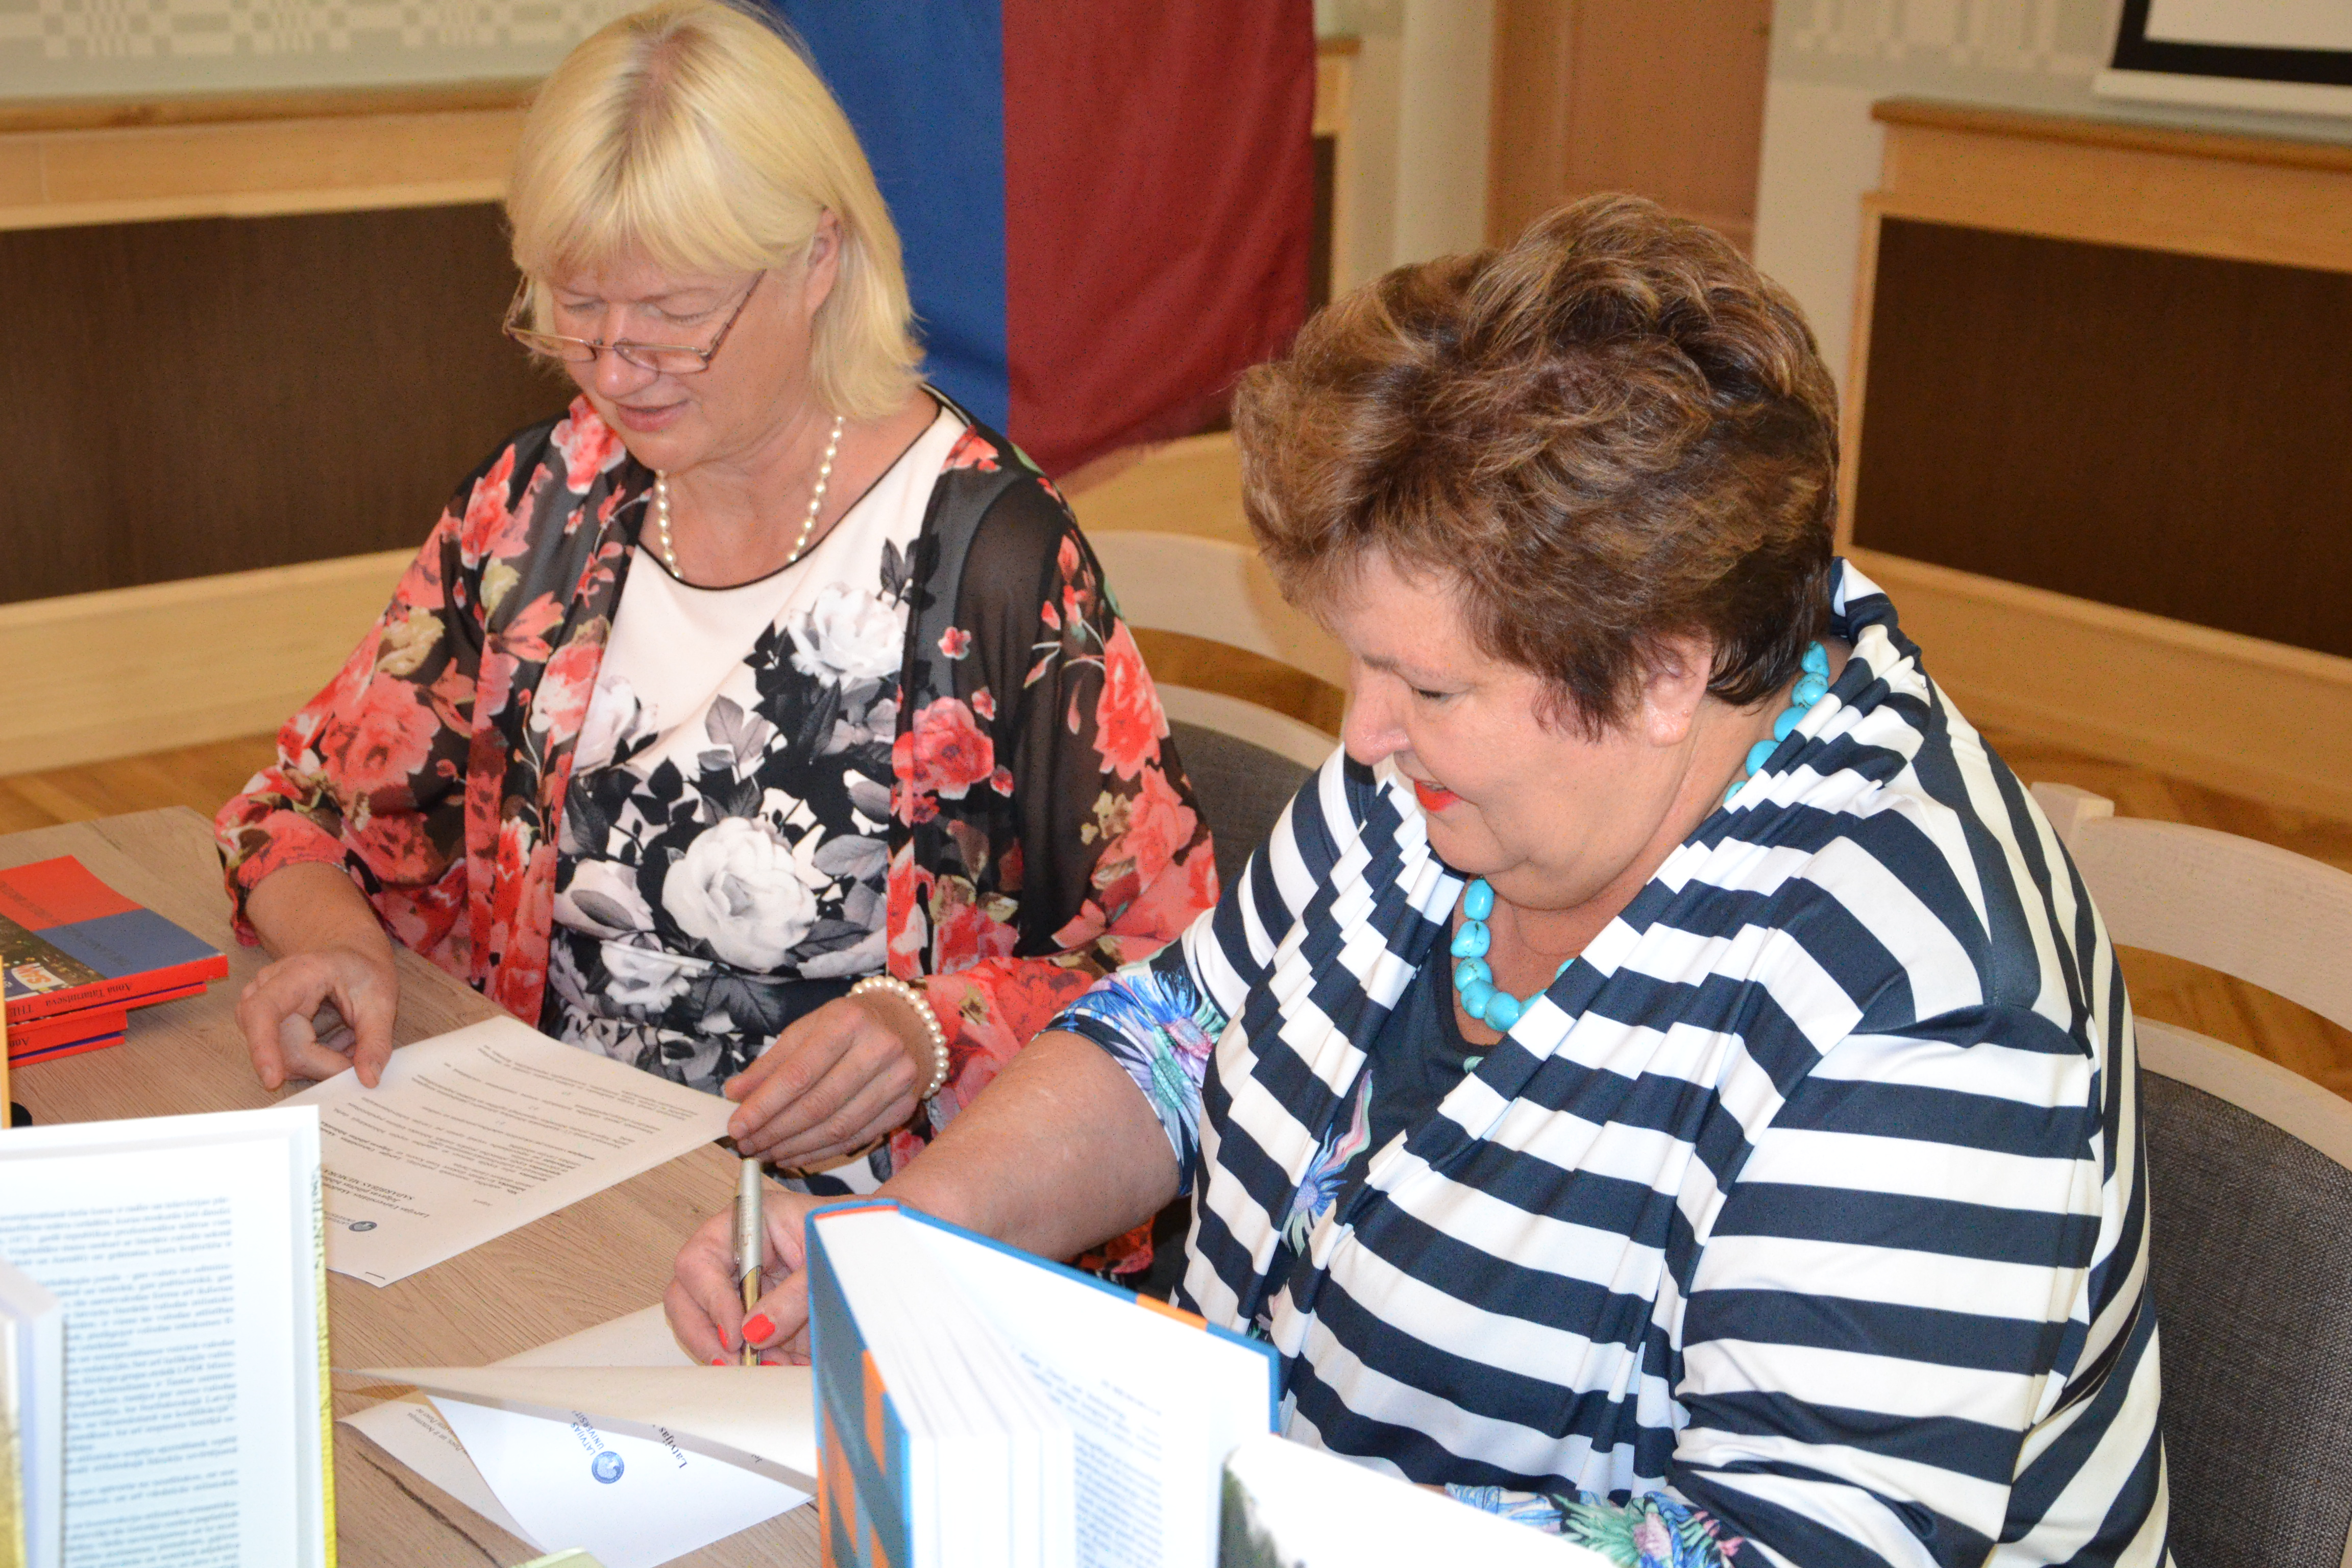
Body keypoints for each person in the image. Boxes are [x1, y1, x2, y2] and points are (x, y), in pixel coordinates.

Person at [669, 195, 2168, 1564]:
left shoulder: (1923, 1009)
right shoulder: (1472, 774)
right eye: (1366, 666)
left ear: (1665, 670)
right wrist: (906, 1257)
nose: (1365, 734)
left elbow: (1773, 1552)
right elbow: (1183, 1039)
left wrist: (1243, 1531)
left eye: (1429, 688)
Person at [214, 0, 1216, 1215]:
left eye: (675, 315)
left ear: (818, 259)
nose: (613, 365)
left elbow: (1181, 987)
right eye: (576, 305)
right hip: (539, 1174)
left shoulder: (986, 559)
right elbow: (304, 808)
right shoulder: (543, 501)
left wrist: (929, 1028)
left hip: (831, 1220)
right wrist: (338, 945)